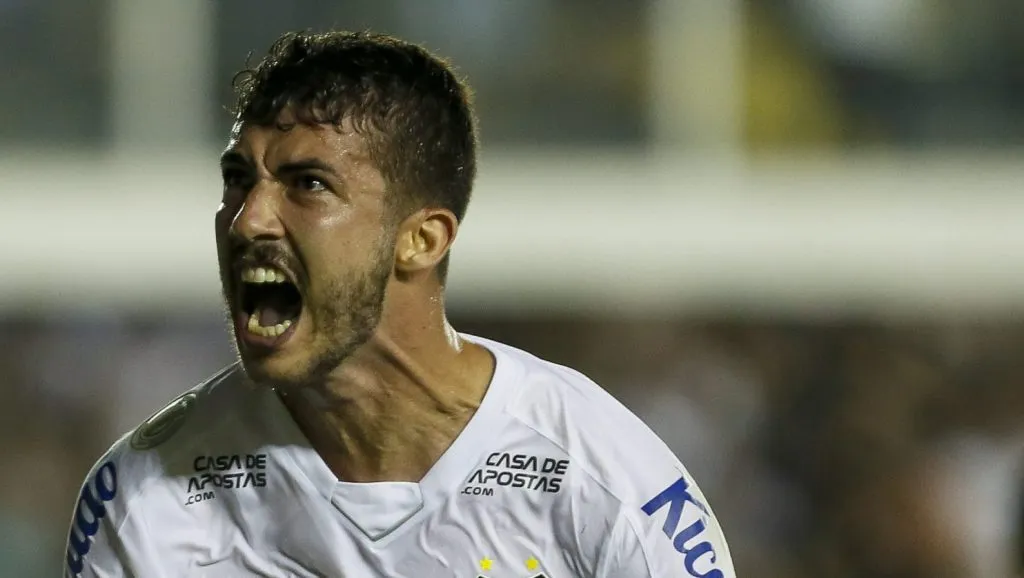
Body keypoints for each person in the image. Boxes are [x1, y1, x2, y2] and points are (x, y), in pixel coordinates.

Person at [64, 30, 735, 578]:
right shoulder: (148, 497)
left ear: (420, 239)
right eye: (238, 180)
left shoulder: (606, 487)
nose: (248, 220)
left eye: (308, 184)